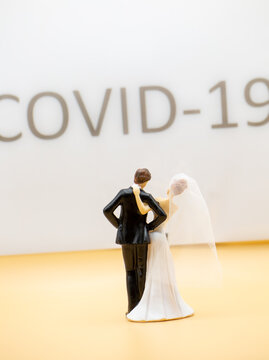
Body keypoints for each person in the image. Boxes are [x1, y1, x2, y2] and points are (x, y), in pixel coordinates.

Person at [126, 175, 194, 322]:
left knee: (151, 268)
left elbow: (143, 209)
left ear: (170, 187)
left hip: (154, 237)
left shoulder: (159, 200)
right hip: (163, 238)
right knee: (161, 269)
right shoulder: (174, 207)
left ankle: (151, 300)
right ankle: (164, 299)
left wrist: (137, 194)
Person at [103, 168, 167, 314]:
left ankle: (132, 307)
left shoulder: (124, 193)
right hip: (141, 238)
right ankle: (143, 307)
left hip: (126, 237)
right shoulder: (146, 196)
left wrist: (120, 225)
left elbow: (107, 210)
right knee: (141, 271)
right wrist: (148, 227)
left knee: (130, 271)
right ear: (146, 181)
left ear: (134, 178)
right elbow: (162, 215)